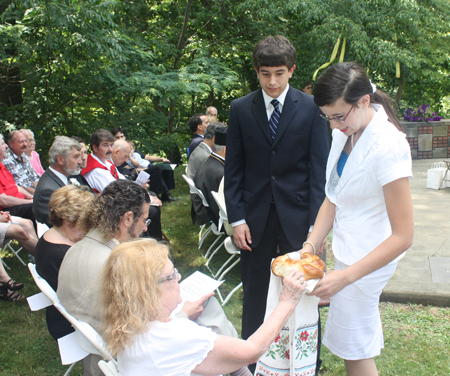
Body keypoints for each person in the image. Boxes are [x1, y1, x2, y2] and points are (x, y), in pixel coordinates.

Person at [57, 180, 241, 376]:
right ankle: (239, 363)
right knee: (207, 305)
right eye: (145, 220)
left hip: (97, 347)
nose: (145, 228)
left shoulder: (75, 249)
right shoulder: (114, 266)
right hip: (126, 353)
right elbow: (140, 333)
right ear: (128, 218)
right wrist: (183, 315)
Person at [303, 62, 414, 376]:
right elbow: (333, 196)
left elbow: (403, 236)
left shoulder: (389, 146)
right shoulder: (345, 133)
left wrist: (346, 277)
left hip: (369, 260)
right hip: (349, 253)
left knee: (356, 348)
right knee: (352, 344)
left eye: (339, 116)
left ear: (364, 100)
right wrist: (310, 245)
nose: (335, 126)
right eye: (329, 118)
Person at [224, 35, 329, 348]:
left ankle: (306, 357)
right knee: (255, 290)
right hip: (254, 221)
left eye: (279, 73)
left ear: (292, 70)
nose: (272, 81)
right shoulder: (241, 109)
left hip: (298, 221)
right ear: (256, 71)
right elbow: (234, 170)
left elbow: (318, 173)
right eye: (265, 73)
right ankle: (251, 359)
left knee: (302, 292)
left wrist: (316, 227)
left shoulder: (311, 109)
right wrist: (237, 218)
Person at [99, 238, 306, 376]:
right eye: (171, 275)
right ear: (149, 290)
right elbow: (252, 351)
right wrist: (287, 301)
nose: (178, 278)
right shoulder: (174, 336)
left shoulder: (131, 323)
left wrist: (181, 315)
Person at [35, 185, 94, 340]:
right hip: (73, 325)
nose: (88, 229)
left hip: (62, 315)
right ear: (69, 221)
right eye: (86, 224)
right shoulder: (65, 254)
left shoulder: (49, 236)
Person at [111, 127, 177, 202]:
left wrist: (161, 159)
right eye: (117, 137)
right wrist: (147, 169)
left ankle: (166, 193)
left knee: (167, 165)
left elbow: (146, 157)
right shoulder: (117, 154)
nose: (120, 138)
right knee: (157, 169)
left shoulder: (131, 148)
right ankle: (159, 194)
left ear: (125, 137)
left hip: (144, 167)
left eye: (122, 136)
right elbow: (129, 170)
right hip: (134, 174)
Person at [33, 136, 84, 227]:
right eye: (76, 157)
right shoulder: (48, 190)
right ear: (60, 159)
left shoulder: (63, 178)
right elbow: (61, 227)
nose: (80, 161)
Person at [194, 126, 227, 227]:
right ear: (226, 149)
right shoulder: (221, 173)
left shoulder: (210, 161)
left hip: (208, 211)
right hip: (220, 218)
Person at [0, 134, 36, 223]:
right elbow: (3, 200)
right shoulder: (7, 161)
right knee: (35, 208)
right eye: (3, 144)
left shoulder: (2, 165)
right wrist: (30, 202)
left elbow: (16, 186)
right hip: (6, 209)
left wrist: (31, 197)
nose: (6, 146)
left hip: (19, 202)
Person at [3, 130, 40, 194]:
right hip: (24, 196)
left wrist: (42, 191)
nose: (25, 144)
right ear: (11, 144)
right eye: (21, 142)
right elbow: (21, 186)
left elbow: (34, 178)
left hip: (34, 193)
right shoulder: (7, 159)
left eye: (25, 141)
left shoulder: (23, 155)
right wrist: (39, 194)